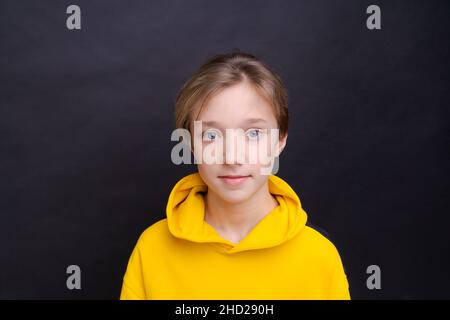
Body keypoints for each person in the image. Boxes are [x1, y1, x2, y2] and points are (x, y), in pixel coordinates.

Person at [120, 51, 350, 299]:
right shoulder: (153, 248)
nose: (232, 157)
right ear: (189, 143)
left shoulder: (318, 256)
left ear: (280, 139)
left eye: (253, 133)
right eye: (211, 135)